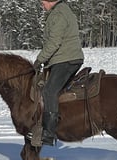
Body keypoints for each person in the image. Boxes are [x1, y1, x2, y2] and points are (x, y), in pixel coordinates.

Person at [33, 0, 84, 146]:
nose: (42, 5)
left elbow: (54, 42)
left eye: (43, 2)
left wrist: (40, 60)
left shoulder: (59, 14)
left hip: (66, 59)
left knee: (49, 91)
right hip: (65, 58)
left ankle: (49, 133)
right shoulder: (60, 11)